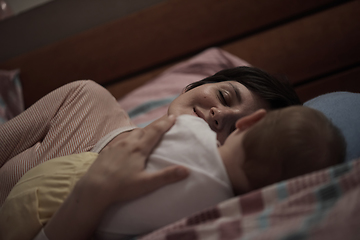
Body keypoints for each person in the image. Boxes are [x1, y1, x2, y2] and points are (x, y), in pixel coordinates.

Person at [0, 66, 301, 239]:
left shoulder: (177, 209)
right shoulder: (86, 100)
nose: (219, 114)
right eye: (223, 95)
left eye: (236, 130)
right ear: (195, 86)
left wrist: (92, 197)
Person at [0, 106, 346, 240]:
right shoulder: (214, 210)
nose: (216, 112)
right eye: (224, 93)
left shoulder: (190, 127)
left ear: (251, 119)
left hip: (59, 187)